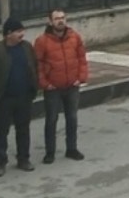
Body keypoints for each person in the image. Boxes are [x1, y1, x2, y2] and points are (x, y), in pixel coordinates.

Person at [0, 17, 38, 176]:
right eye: (19, 31)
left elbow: (34, 66)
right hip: (3, 99)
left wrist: (34, 86)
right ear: (8, 34)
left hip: (24, 97)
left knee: (23, 130)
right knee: (1, 132)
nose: (22, 34)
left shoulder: (26, 47)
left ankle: (23, 159)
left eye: (22, 31)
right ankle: (0, 163)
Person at [34, 8, 88, 163]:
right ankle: (50, 152)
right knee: (51, 120)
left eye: (63, 17)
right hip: (53, 88)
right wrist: (44, 83)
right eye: (57, 18)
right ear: (50, 21)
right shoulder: (42, 41)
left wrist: (81, 77)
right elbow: (38, 64)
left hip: (72, 86)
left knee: (72, 118)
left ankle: (72, 149)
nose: (61, 21)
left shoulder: (74, 37)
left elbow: (82, 58)